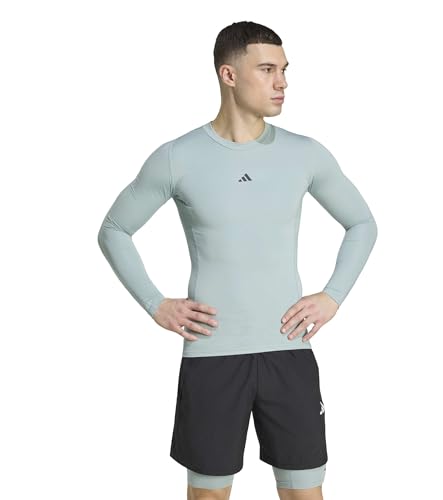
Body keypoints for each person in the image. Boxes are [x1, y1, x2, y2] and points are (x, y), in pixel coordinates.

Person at [97, 20, 377, 500]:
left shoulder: (305, 154)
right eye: (267, 69)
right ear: (228, 75)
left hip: (289, 350)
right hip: (212, 355)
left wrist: (332, 296)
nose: (282, 82)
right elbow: (114, 230)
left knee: (305, 493)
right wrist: (155, 304)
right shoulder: (178, 157)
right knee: (208, 494)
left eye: (284, 70)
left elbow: (362, 223)